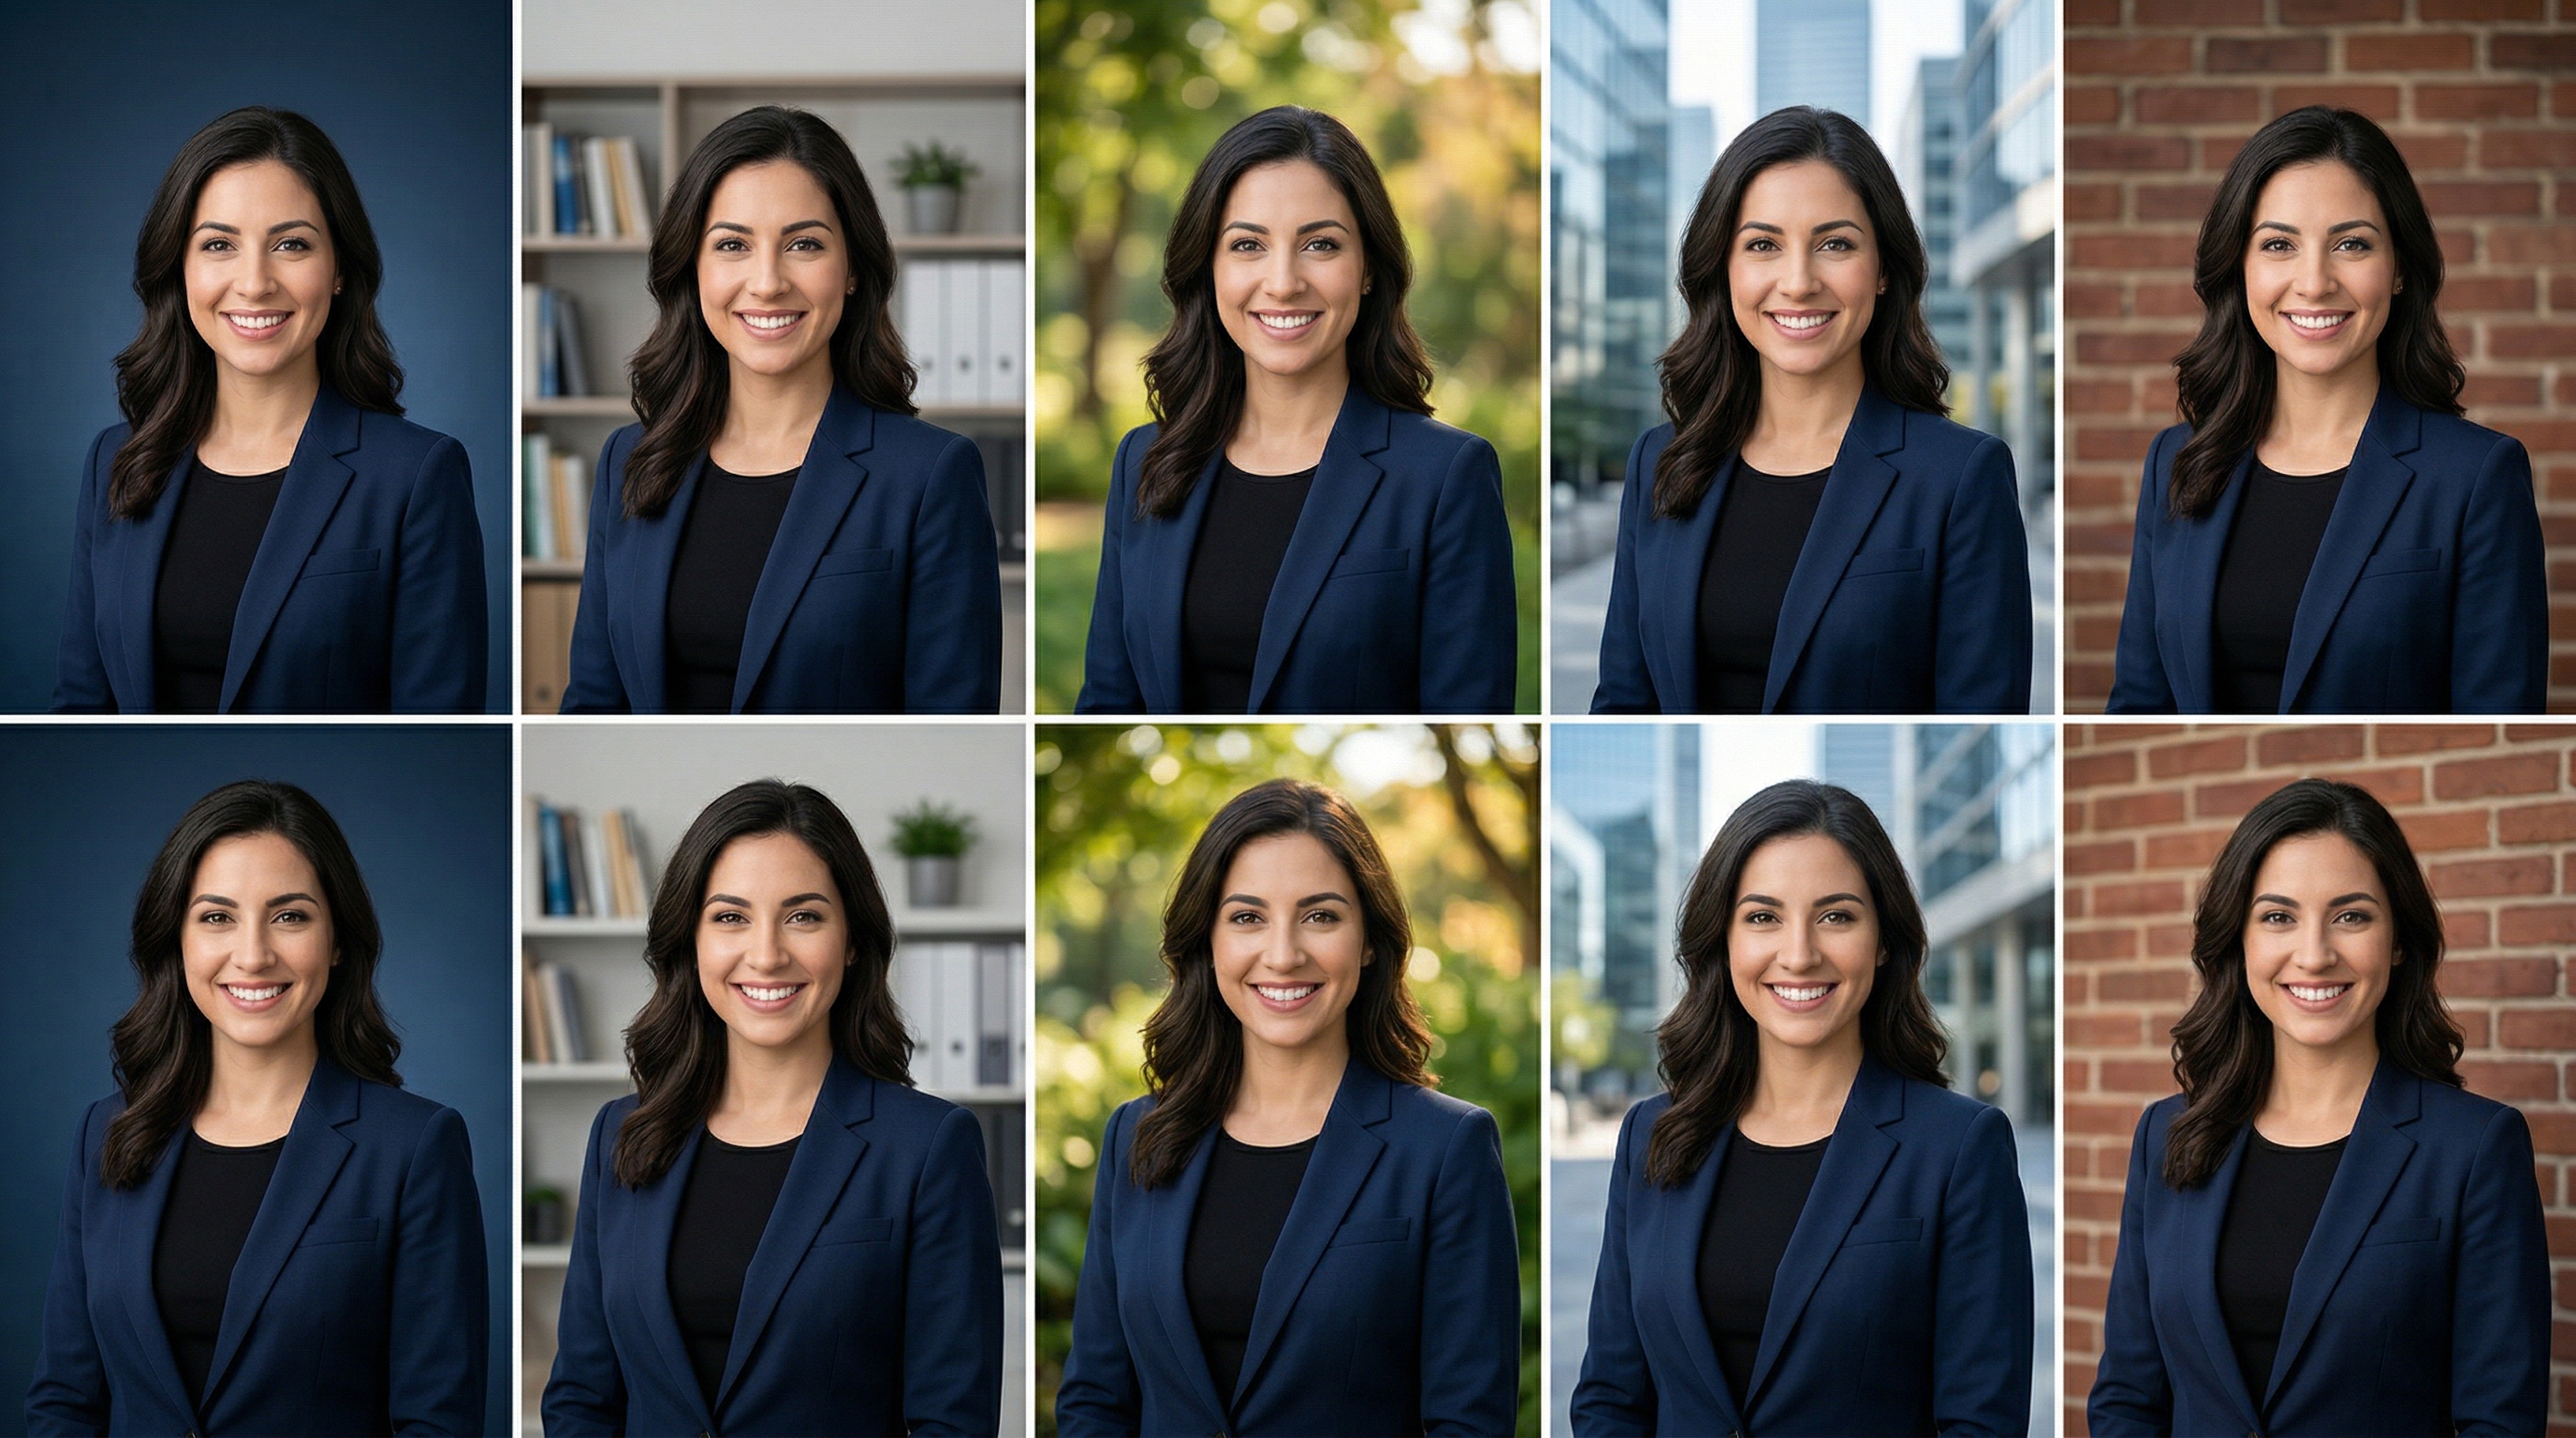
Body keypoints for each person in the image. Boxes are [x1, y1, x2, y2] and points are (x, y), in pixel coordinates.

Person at [1057, 779, 1519, 1434]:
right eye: (1247, 917)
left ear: (1367, 940)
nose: (1282, 955)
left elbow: (1468, 1421)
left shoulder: (1446, 1148)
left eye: (1320, 916)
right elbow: (1097, 1400)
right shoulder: (1137, 1135)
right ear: (1208, 941)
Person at [2088, 778, 2549, 1435]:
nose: (2314, 955)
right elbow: (2129, 1397)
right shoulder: (2166, 1134)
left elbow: (2498, 1421)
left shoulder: (2476, 1148)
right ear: (2239, 941)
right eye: (2278, 916)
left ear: (2396, 940)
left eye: (2351, 916)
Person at [1572, 780, 2031, 1435]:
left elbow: (1981, 1421)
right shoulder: (1652, 1134)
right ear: (1723, 941)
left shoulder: (1960, 1147)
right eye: (1763, 917)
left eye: (1836, 916)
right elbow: (1611, 1397)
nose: (1798, 954)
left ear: (1882, 941)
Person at [28, 781, 488, 1433]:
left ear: (336, 940)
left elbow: (438, 1420)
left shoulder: (416, 1147)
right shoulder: (104, 1134)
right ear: (177, 939)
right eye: (217, 917)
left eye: (290, 916)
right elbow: (65, 1400)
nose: (252, 955)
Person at [545, 780, 1003, 1434]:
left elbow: (952, 1420)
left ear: (850, 940)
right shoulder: (620, 1134)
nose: (766, 955)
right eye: (730, 917)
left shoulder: (929, 1146)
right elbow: (582, 1398)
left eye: (804, 916)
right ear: (691, 941)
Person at [1076, 107, 1516, 715]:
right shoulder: (1145, 461)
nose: (1282, 282)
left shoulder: (1446, 476)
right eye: (1248, 244)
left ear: (1367, 269)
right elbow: (1107, 701)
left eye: (1320, 244)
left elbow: (1470, 705)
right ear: (1210, 267)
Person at [1591, 107, 2030, 716]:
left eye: (1835, 244)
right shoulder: (1661, 462)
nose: (1797, 282)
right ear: (1725, 266)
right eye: (1764, 244)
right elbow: (1622, 700)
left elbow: (1983, 706)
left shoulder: (1960, 478)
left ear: (1882, 269)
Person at [563, 107, 1002, 714]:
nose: (766, 282)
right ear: (694, 268)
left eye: (804, 244)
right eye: (732, 245)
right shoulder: (628, 460)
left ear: (851, 269)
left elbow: (955, 722)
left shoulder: (931, 475)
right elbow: (592, 703)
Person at [2109, 106, 2546, 714]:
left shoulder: (2476, 477)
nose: (2314, 283)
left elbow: (2500, 707)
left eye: (2351, 243)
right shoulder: (2176, 460)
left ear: (2397, 268)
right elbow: (2139, 700)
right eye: (2279, 244)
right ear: (2241, 267)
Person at [54, 107, 488, 713]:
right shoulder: (113, 460)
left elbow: (441, 713)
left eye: (291, 244)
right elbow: (82, 705)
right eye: (218, 244)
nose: (254, 283)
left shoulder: (417, 475)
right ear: (181, 269)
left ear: (338, 269)